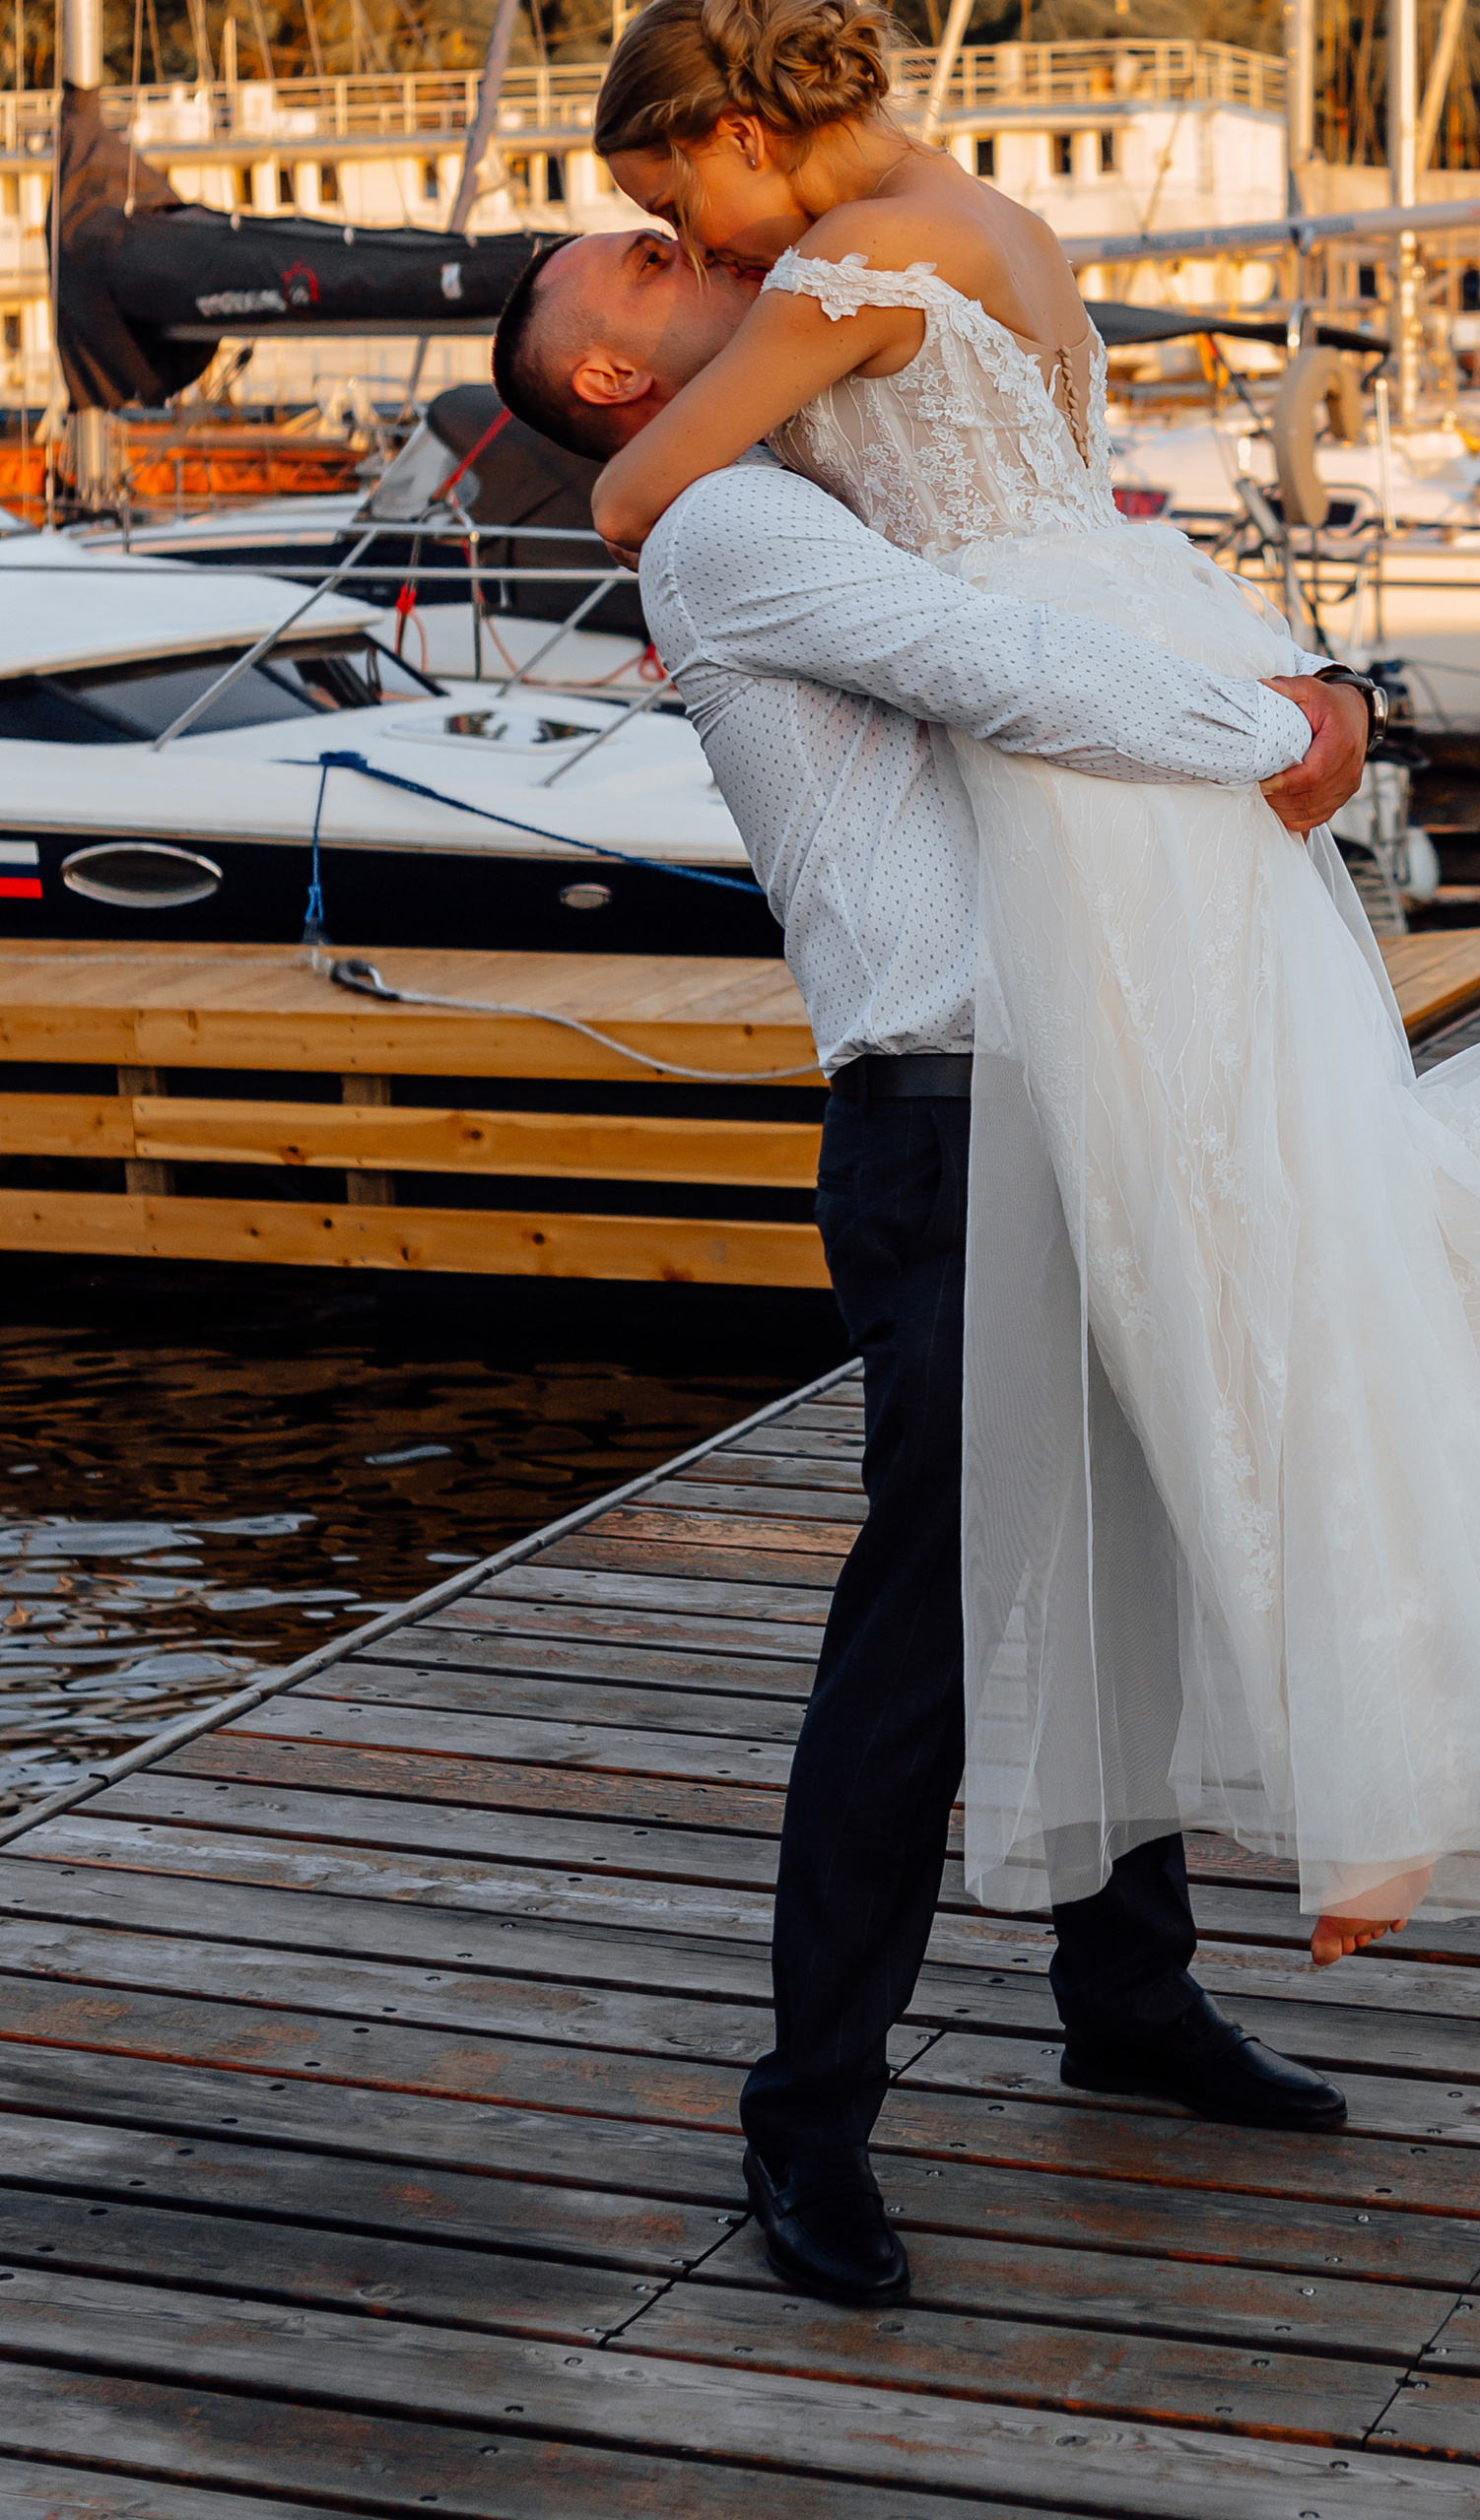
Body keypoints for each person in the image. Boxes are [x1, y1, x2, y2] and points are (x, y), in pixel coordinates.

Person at [581, 0, 1480, 2034]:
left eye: (685, 210)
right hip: (1121, 650)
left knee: (1236, 1264)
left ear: (729, 129)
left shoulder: (844, 277)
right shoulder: (1000, 234)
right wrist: (1273, 702)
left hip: (1079, 732)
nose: (713, 256)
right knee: (1264, 1214)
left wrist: (730, 403)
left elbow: (635, 498)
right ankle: (1322, 1816)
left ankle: (1327, 1812)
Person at [493, 221, 1373, 2314]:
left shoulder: (811, 473)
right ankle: (805, 2115)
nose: (666, 238)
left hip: (1102, 1073)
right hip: (949, 1111)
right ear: (610, 380)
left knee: (1141, 1544)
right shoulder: (716, 524)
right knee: (925, 1635)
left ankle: (1125, 1999)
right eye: (609, 256)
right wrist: (1284, 729)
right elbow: (1001, 670)